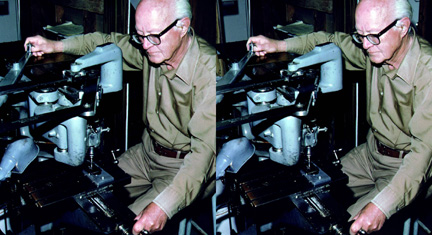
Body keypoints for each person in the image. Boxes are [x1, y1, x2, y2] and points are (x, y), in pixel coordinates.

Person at [24, 0, 216, 234]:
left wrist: (163, 207)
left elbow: (204, 154)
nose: (145, 46)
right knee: (83, 200)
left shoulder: (209, 70)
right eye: (140, 36)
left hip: (183, 167)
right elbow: (107, 42)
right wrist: (56, 46)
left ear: (183, 26)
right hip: (146, 154)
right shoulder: (153, 45)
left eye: (153, 37)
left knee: (123, 229)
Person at [247, 0, 432, 234]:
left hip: (408, 167)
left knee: (341, 228)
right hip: (372, 153)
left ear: (403, 27)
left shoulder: (428, 73)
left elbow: (422, 156)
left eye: (372, 36)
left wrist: (380, 207)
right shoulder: (377, 45)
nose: (364, 45)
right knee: (308, 191)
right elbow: (331, 42)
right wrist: (280, 45)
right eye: (360, 35)